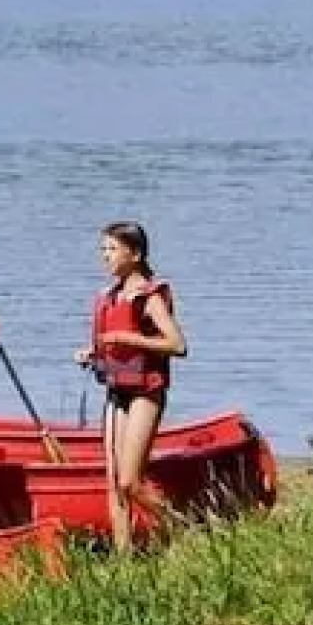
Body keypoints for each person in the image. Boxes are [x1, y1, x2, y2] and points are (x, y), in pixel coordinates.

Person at [73, 221, 186, 553]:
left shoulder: (148, 296)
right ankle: (124, 559)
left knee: (129, 482)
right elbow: (108, 344)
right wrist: (92, 353)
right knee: (113, 484)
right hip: (116, 390)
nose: (105, 257)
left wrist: (126, 338)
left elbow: (177, 345)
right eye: (103, 250)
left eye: (112, 249)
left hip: (145, 393)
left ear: (135, 254)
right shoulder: (109, 297)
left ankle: (181, 526)